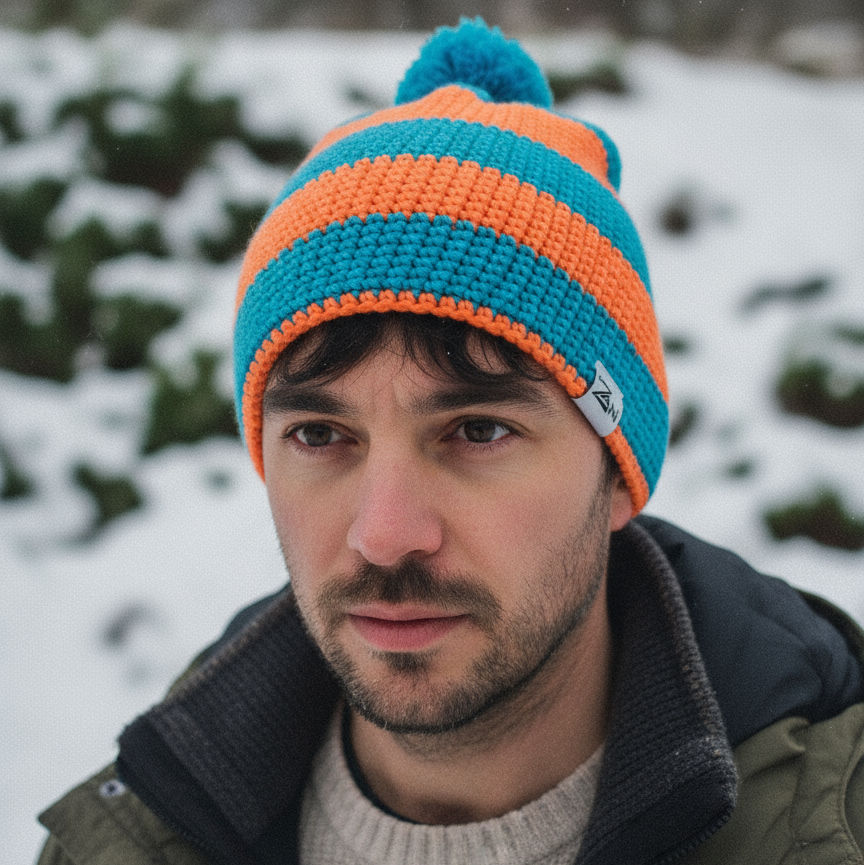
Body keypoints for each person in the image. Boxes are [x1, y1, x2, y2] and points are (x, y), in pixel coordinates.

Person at [37, 18, 864, 865]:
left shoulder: (822, 831)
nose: (385, 533)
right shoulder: (137, 838)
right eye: (321, 434)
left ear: (617, 472)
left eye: (479, 429)